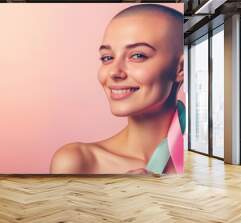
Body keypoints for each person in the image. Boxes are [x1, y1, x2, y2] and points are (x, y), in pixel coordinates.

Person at [50, 4, 185, 174]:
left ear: (180, 68)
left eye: (137, 55)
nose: (114, 72)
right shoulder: (78, 162)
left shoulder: (201, 159)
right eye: (107, 58)